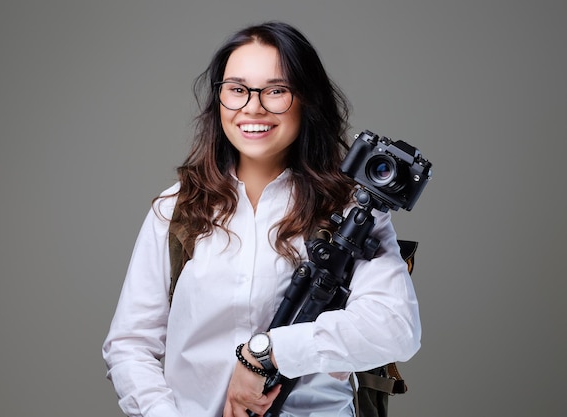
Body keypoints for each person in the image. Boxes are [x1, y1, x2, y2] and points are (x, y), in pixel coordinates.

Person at [102, 21, 421, 417]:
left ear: (307, 100)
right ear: (219, 100)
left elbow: (396, 330)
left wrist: (269, 355)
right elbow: (130, 345)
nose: (253, 107)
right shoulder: (177, 209)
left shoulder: (347, 210)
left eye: (276, 91)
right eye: (237, 90)